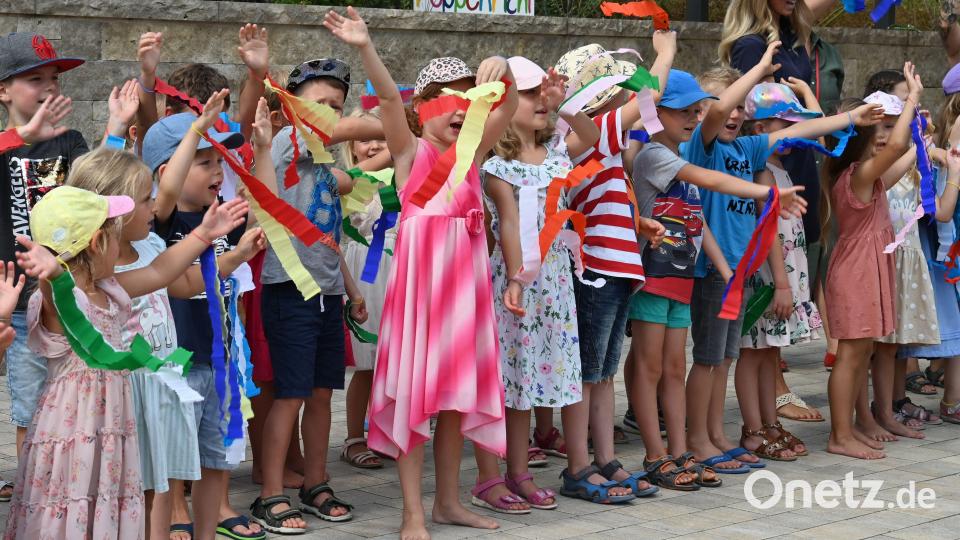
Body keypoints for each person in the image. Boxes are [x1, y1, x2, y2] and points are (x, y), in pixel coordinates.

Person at [325, 7, 518, 538]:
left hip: (467, 294)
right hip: (421, 297)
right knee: (417, 399)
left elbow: (512, 104)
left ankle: (448, 502)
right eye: (444, 100)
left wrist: (501, 69)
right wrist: (365, 46)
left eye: (465, 100)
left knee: (455, 400)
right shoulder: (410, 152)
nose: (457, 109)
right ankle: (413, 511)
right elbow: (389, 98)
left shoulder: (472, 152)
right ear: (420, 111)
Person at [7, 184, 248, 538]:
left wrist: (203, 234)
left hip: (112, 426)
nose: (122, 247)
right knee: (72, 505)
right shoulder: (60, 298)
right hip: (75, 430)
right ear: (96, 244)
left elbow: (160, 272)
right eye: (115, 237)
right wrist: (52, 275)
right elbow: (58, 304)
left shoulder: (108, 287)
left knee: (107, 504)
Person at [683, 40, 879, 469]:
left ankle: (717, 434)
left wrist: (849, 117)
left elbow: (791, 132)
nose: (732, 114)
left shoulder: (745, 149)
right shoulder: (706, 147)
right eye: (725, 106)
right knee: (708, 358)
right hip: (714, 269)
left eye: (739, 109)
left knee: (725, 358)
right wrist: (755, 72)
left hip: (740, 268)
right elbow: (716, 114)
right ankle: (699, 439)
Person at [630, 69, 807, 489]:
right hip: (654, 275)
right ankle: (656, 453)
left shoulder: (680, 156)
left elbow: (698, 223)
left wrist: (728, 270)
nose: (693, 117)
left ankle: (680, 449)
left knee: (674, 366)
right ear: (657, 112)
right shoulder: (656, 155)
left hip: (681, 278)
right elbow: (710, 180)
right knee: (649, 366)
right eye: (684, 111)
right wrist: (767, 194)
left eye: (697, 110)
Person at [251, 58, 382, 533]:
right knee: (291, 395)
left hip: (326, 293)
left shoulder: (323, 164)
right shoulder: (287, 145)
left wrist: (350, 289)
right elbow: (343, 132)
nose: (329, 113)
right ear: (290, 108)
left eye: (336, 105)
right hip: (289, 290)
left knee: (323, 394)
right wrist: (387, 118)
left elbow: (335, 221)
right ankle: (270, 494)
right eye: (319, 104)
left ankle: (315, 481)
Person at [474, 55, 603, 511]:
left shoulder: (558, 153)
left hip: (555, 283)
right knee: (514, 381)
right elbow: (508, 222)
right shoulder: (496, 166)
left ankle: (529, 469)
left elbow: (590, 136)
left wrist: (562, 101)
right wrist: (516, 278)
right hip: (517, 285)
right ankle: (512, 472)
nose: (538, 100)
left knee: (545, 373)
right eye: (529, 93)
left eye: (538, 91)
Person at [552, 35, 674, 502]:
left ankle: (604, 459)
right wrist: (664, 53)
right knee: (587, 373)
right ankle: (579, 465)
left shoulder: (607, 148)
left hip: (618, 271)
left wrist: (636, 222)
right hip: (597, 272)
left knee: (601, 373)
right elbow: (654, 94)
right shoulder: (593, 132)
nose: (633, 92)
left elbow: (600, 203)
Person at [143, 91, 266, 540]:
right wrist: (194, 128)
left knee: (218, 458)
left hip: (221, 363)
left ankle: (207, 529)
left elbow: (264, 199)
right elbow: (168, 191)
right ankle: (176, 515)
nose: (218, 172)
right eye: (205, 162)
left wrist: (266, 149)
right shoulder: (162, 221)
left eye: (219, 162)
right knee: (174, 460)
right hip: (175, 364)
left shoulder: (226, 216)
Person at [0, 32, 88, 501]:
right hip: (16, 303)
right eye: (35, 79)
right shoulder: (3, 146)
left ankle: (67, 494)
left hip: (62, 298)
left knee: (71, 404)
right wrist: (21, 137)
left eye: (53, 78)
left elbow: (92, 194)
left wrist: (116, 128)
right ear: (4, 90)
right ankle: (33, 500)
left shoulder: (71, 140)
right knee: (30, 408)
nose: (49, 87)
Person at [822, 62, 922, 460]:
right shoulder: (857, 175)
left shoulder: (869, 176)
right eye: (879, 129)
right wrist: (910, 99)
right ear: (861, 136)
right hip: (856, 271)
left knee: (860, 353)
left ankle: (851, 427)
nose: (885, 136)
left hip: (865, 269)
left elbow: (904, 156)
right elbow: (897, 150)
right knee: (849, 356)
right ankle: (839, 434)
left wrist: (919, 133)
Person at [739, 82, 832, 461]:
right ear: (759, 129)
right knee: (753, 352)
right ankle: (753, 428)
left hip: (781, 280)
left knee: (768, 353)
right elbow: (766, 235)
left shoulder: (778, 170)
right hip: (766, 279)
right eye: (785, 124)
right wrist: (780, 283)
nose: (793, 131)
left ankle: (769, 421)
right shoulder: (762, 173)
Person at [864, 90, 939, 441]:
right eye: (878, 127)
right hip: (879, 263)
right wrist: (917, 144)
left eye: (892, 127)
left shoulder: (911, 170)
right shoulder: (870, 171)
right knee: (877, 345)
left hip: (905, 262)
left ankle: (893, 402)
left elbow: (935, 206)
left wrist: (930, 146)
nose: (883, 135)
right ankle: (876, 409)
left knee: (896, 344)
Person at [340, 108, 393, 472]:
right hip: (364, 274)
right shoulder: (350, 180)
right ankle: (353, 436)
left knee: (394, 361)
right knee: (367, 363)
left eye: (382, 136)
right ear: (350, 147)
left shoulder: (402, 178)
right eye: (364, 138)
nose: (373, 145)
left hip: (399, 268)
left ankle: (385, 428)